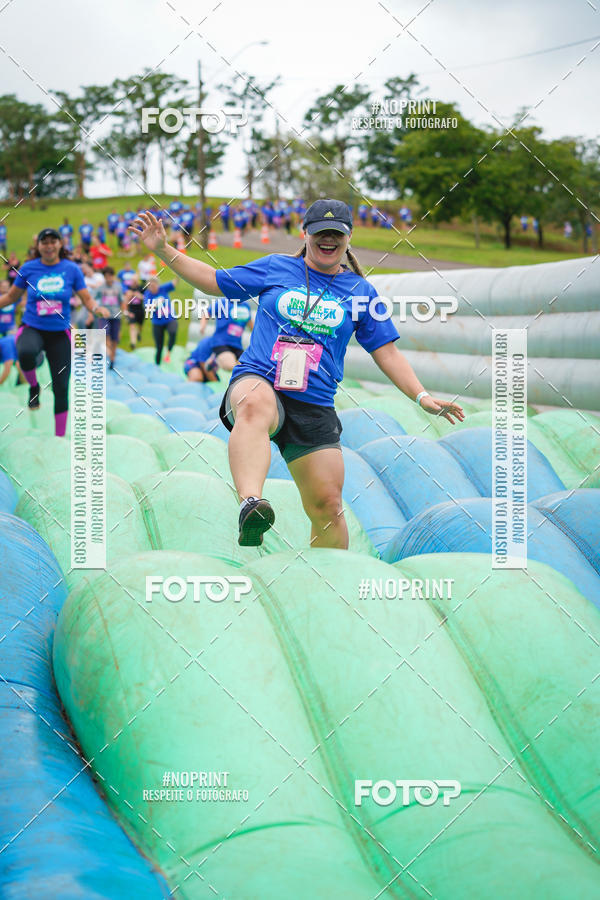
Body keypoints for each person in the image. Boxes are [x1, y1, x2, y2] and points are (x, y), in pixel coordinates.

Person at [130, 200, 465, 548]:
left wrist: (422, 397)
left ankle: (327, 584)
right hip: (261, 378)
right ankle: (251, 504)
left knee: (329, 508)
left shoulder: (361, 292)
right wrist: (163, 249)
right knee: (253, 404)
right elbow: (214, 281)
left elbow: (388, 353)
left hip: (314, 402)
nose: (328, 240)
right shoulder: (276, 268)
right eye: (321, 232)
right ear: (305, 233)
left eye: (337, 233)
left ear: (349, 238)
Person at [0, 228, 109, 435]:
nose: (49, 246)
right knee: (25, 352)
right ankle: (34, 387)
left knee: (61, 388)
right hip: (32, 328)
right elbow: (11, 297)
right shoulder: (29, 268)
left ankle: (59, 437)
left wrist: (95, 308)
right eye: (44, 242)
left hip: (60, 334)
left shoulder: (71, 269)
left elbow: (86, 298)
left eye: (53, 241)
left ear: (60, 244)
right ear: (38, 245)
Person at [185, 294, 252, 382]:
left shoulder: (246, 306)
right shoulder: (223, 302)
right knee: (229, 365)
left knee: (247, 369)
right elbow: (206, 313)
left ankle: (214, 362)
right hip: (220, 342)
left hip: (236, 345)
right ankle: (215, 361)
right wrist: (202, 326)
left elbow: (250, 323)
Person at [143, 275, 179, 365]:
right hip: (157, 322)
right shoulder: (147, 295)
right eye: (150, 286)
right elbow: (147, 308)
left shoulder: (163, 289)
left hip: (170, 318)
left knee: (173, 332)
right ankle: (157, 365)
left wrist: (177, 274)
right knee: (159, 346)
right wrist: (156, 303)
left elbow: (174, 283)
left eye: (154, 285)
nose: (152, 287)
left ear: (158, 284)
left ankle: (168, 353)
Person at [95, 267, 124, 369]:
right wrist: (96, 310)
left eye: (110, 276)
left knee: (115, 338)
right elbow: (93, 300)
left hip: (116, 315)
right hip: (104, 316)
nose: (108, 279)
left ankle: (112, 359)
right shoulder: (100, 287)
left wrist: (124, 312)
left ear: (113, 276)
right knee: (105, 334)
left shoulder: (118, 287)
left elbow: (122, 300)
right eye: (106, 277)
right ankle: (108, 351)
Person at [123, 278, 145, 349]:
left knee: (140, 326)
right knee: (132, 326)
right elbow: (125, 301)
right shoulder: (128, 290)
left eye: (136, 281)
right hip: (131, 310)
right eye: (133, 281)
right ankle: (133, 343)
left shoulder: (141, 288)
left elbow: (146, 298)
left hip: (140, 310)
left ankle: (138, 333)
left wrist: (139, 296)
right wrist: (127, 313)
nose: (134, 283)